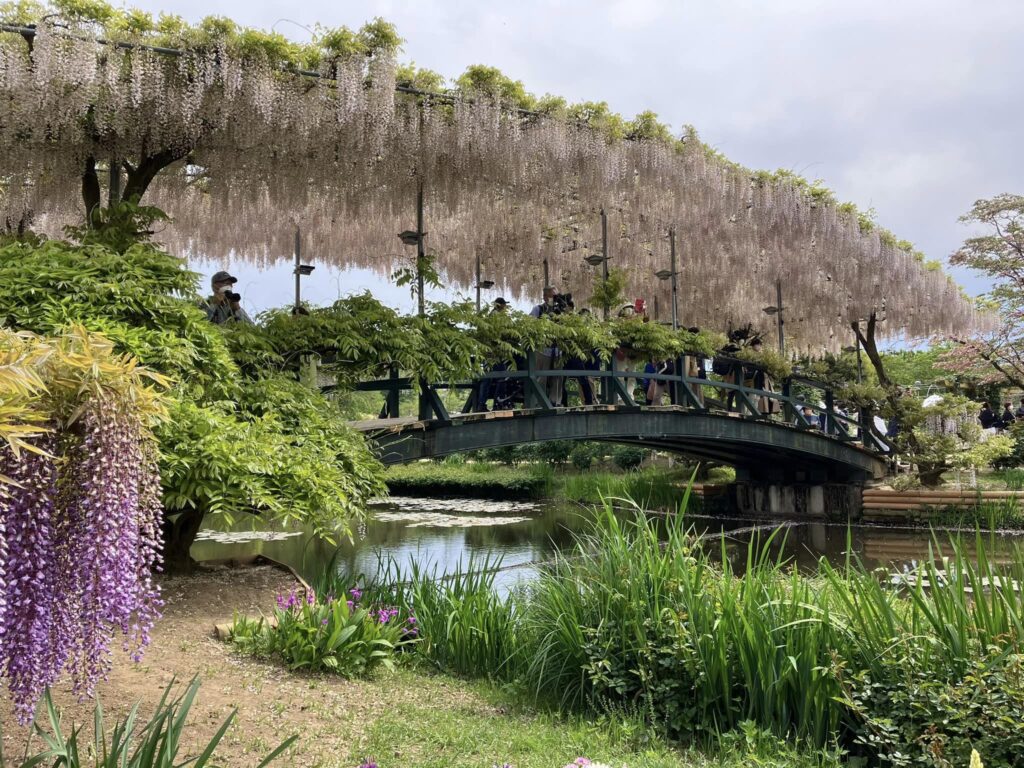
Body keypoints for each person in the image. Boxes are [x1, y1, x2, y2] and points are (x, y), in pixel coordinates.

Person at [530, 287, 564, 406]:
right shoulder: (538, 309)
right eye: (552, 296)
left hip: (557, 350)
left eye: (556, 296)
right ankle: (539, 402)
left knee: (558, 377)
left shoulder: (561, 311)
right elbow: (530, 325)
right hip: (542, 350)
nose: (554, 298)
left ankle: (555, 401)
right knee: (541, 378)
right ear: (544, 296)